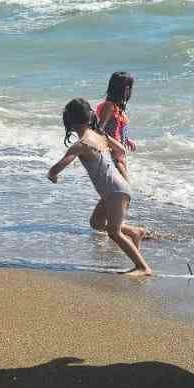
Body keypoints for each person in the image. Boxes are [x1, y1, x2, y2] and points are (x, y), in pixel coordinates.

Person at [48, 98, 150, 274]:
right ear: (89, 117)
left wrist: (52, 175)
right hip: (115, 189)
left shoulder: (81, 145)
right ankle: (135, 232)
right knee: (96, 222)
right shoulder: (99, 136)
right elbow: (121, 150)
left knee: (114, 232)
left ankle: (143, 267)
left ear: (70, 122)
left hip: (115, 191)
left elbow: (58, 166)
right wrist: (106, 139)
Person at [93, 71, 135, 151]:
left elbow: (116, 129)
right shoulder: (109, 106)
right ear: (119, 89)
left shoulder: (118, 106)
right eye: (127, 87)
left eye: (130, 87)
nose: (129, 91)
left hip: (117, 149)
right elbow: (99, 129)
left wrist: (126, 139)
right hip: (111, 150)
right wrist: (115, 145)